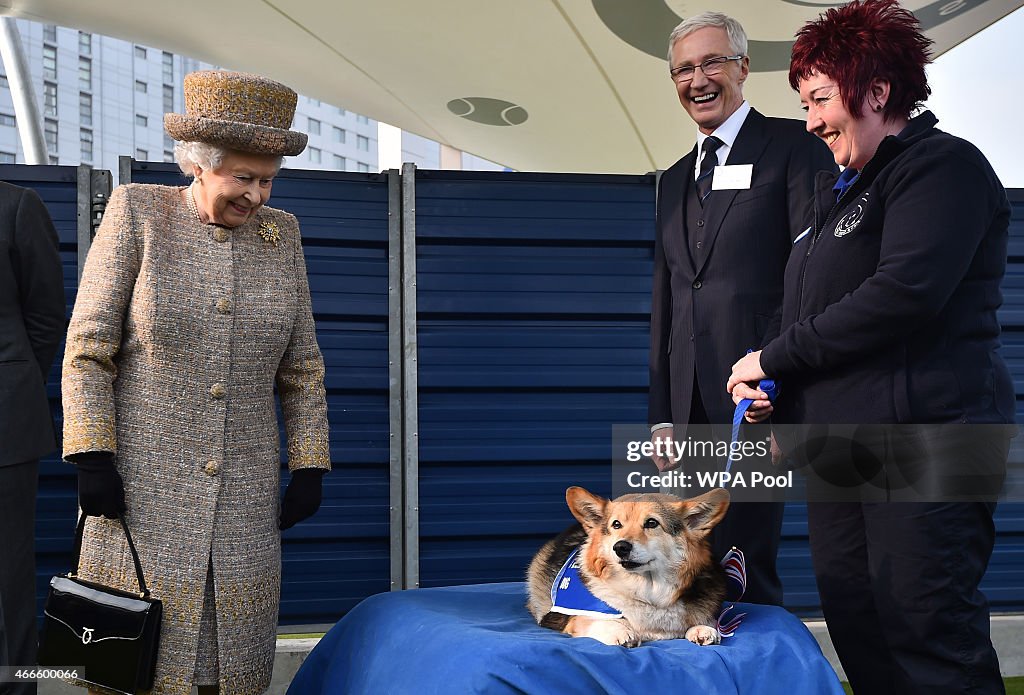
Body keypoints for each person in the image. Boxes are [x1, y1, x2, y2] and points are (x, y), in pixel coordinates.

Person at [727, 1, 1014, 692]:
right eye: (805, 102)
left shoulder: (944, 167)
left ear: (877, 92)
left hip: (928, 439)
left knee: (927, 630)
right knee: (858, 623)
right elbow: (810, 311)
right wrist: (772, 387)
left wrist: (773, 357)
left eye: (821, 98)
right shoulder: (838, 196)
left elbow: (904, 292)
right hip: (843, 451)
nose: (811, 121)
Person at [61, 71, 331, 695]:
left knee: (231, 661)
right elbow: (88, 346)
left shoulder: (280, 235)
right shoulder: (138, 213)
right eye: (243, 177)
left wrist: (310, 462)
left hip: (245, 486)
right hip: (139, 484)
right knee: (131, 659)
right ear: (200, 166)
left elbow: (303, 365)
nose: (258, 195)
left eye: (268, 180)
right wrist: (92, 453)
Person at [648, 11, 835, 605]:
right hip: (688, 407)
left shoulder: (793, 147)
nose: (697, 79)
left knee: (746, 563)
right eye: (683, 69)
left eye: (711, 63)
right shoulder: (675, 178)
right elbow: (669, 296)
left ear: (743, 68)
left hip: (755, 400)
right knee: (686, 569)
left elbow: (811, 274)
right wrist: (661, 415)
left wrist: (779, 382)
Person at [0, 183, 65, 695]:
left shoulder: (17, 206)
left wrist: (14, 386)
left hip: (4, 428)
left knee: (6, 585)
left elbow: (45, 318)